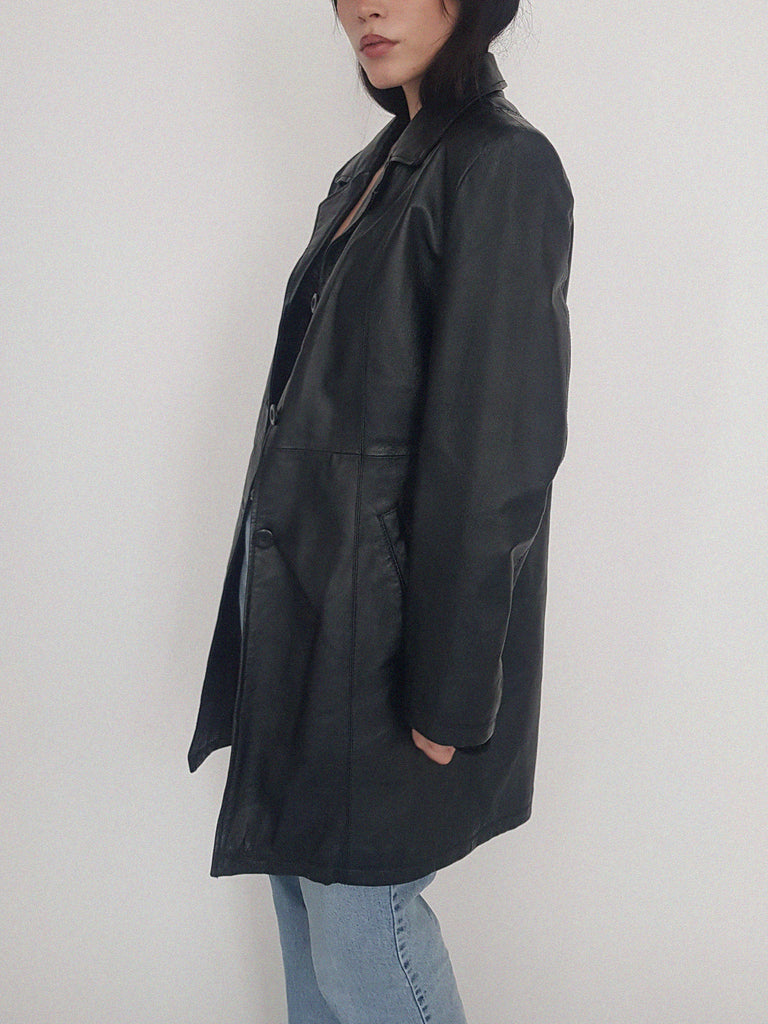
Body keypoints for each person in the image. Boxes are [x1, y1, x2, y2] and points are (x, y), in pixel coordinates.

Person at [187, 1, 574, 1021]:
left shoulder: (500, 166)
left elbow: (496, 456)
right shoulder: (373, 169)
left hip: (387, 651)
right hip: (310, 629)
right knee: (309, 917)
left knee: (365, 930)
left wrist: (450, 694)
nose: (365, 5)